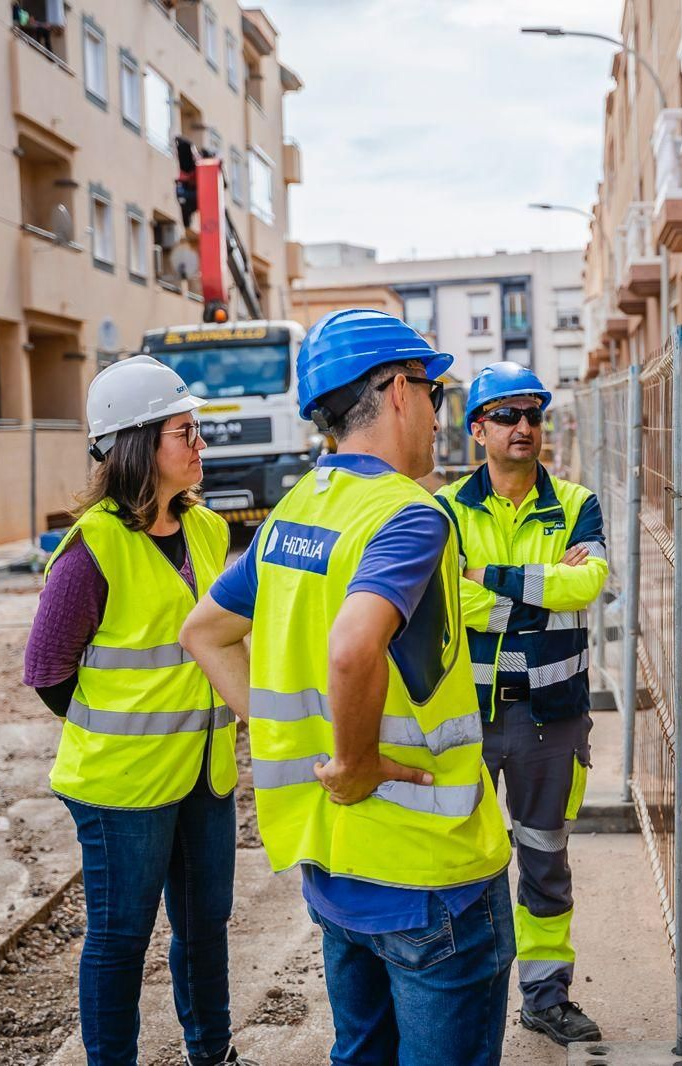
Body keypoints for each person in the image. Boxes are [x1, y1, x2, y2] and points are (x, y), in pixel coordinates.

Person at [178, 309, 515, 1066]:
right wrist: (355, 760)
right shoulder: (408, 513)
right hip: (430, 876)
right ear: (398, 390)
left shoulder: (292, 514)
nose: (437, 412)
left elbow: (204, 632)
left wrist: (293, 740)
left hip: (335, 872)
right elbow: (353, 645)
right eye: (433, 391)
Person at [21, 355, 249, 1066]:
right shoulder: (92, 549)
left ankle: (212, 1052)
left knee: (205, 926)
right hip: (123, 787)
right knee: (121, 939)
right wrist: (120, 730)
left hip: (204, 777)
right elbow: (46, 670)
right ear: (139, 444)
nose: (200, 445)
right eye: (187, 431)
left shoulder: (210, 531)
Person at [436, 363, 609, 1047]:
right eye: (506, 415)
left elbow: (586, 584)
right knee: (464, 868)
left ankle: (545, 996)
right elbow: (446, 595)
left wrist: (492, 583)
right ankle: (465, 993)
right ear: (477, 428)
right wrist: (535, 590)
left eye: (532, 414)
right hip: (469, 718)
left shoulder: (575, 504)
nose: (524, 428)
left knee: (544, 860)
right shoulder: (446, 510)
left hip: (551, 718)